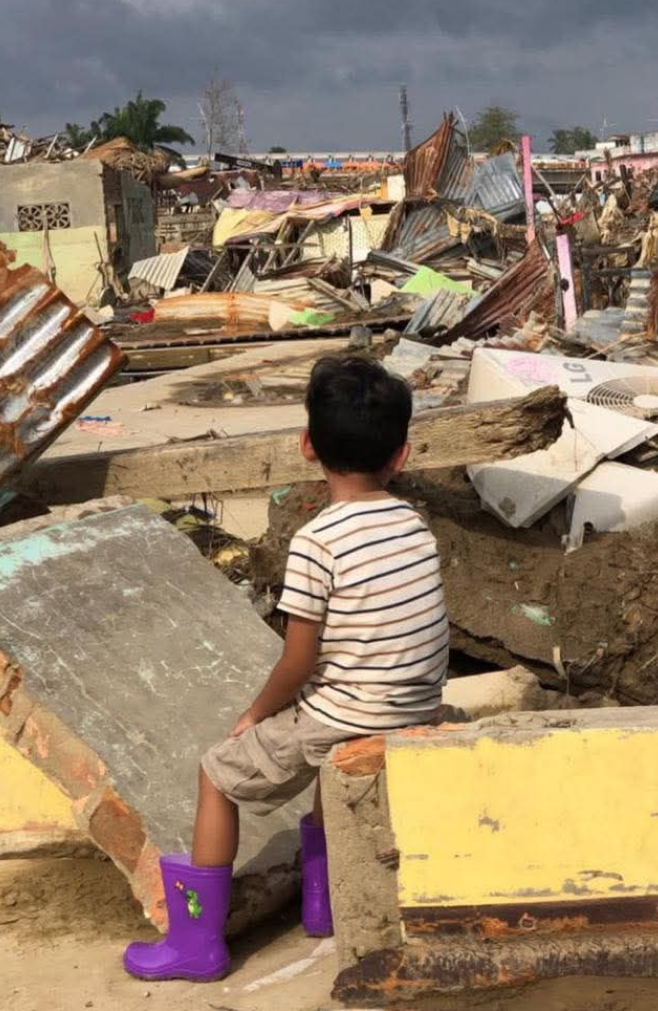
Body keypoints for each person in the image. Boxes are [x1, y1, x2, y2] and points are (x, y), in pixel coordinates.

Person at [124, 355, 448, 982]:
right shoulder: (412, 524)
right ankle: (324, 904)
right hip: (414, 706)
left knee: (218, 773)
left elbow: (298, 660)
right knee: (336, 749)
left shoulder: (318, 541)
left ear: (306, 445)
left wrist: (254, 713)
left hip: (349, 714)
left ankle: (196, 944)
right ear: (401, 455)